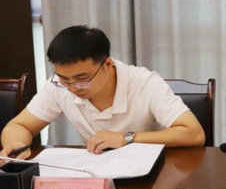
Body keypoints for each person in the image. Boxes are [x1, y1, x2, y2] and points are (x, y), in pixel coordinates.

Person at [0, 25, 205, 162]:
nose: (72, 88)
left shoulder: (144, 83)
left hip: (147, 171)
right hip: (94, 172)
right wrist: (16, 146)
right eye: (64, 79)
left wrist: (127, 139)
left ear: (107, 64)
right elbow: (19, 125)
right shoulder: (58, 86)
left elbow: (194, 133)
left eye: (82, 79)